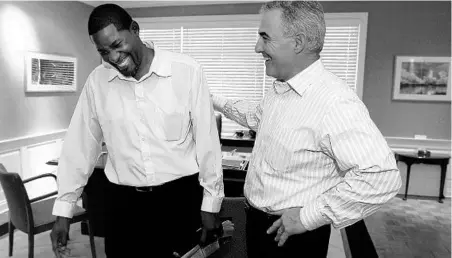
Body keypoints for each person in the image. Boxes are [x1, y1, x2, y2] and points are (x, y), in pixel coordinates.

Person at [212, 1, 402, 257]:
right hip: (258, 224)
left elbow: (382, 177)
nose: (258, 47)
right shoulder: (281, 89)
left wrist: (307, 217)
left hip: (292, 236)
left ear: (298, 42)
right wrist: (214, 100)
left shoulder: (334, 102)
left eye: (265, 37)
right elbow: (258, 116)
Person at [50, 3, 224, 258]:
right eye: (103, 51)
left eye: (117, 45)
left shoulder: (186, 71)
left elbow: (208, 144)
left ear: (135, 29)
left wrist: (211, 205)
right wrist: (64, 210)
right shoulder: (98, 82)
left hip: (179, 201)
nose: (113, 57)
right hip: (123, 208)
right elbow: (79, 146)